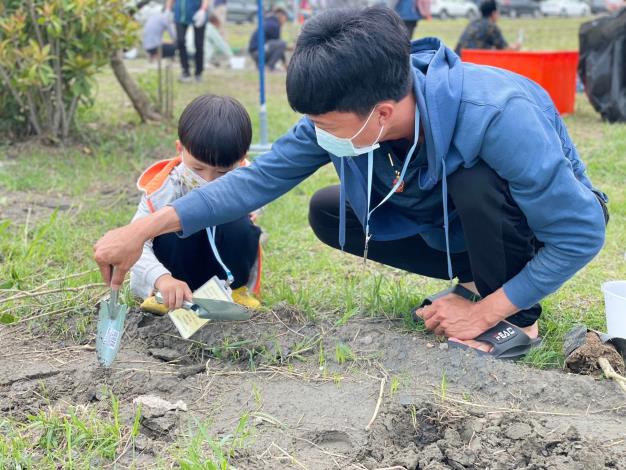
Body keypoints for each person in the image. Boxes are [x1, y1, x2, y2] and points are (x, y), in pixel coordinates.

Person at [95, 7, 608, 360]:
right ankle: (478, 279)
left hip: (533, 229)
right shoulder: (349, 113)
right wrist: (146, 229)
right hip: (455, 223)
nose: (316, 135)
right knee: (327, 211)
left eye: (324, 124)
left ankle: (516, 319)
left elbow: (581, 234)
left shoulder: (497, 116)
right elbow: (255, 184)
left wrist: (486, 310)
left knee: (473, 179)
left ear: (382, 113)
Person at [129, 95, 262, 310]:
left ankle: (236, 290)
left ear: (241, 159)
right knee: (171, 223)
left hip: (219, 274)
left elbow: (256, 206)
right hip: (173, 276)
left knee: (241, 224)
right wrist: (161, 279)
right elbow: (136, 242)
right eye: (198, 168)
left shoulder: (246, 178)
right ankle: (165, 296)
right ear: (180, 149)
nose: (208, 180)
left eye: (222, 172)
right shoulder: (163, 190)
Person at [166, 0, 210, 82]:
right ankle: (185, 71)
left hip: (198, 13)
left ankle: (198, 73)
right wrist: (168, 9)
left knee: (198, 44)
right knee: (180, 41)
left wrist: (203, 10)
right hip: (180, 14)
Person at [455, 0, 519, 56]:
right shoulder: (491, 26)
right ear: (493, 13)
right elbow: (505, 49)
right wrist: (515, 47)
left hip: (460, 62)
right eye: (497, 12)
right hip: (474, 64)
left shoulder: (473, 23)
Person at [248, 5, 289, 72]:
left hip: (255, 52)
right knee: (282, 44)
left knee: (280, 45)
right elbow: (280, 46)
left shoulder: (269, 22)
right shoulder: (274, 25)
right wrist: (285, 63)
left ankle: (260, 66)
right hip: (258, 53)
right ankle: (270, 67)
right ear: (282, 17)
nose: (285, 22)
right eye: (285, 19)